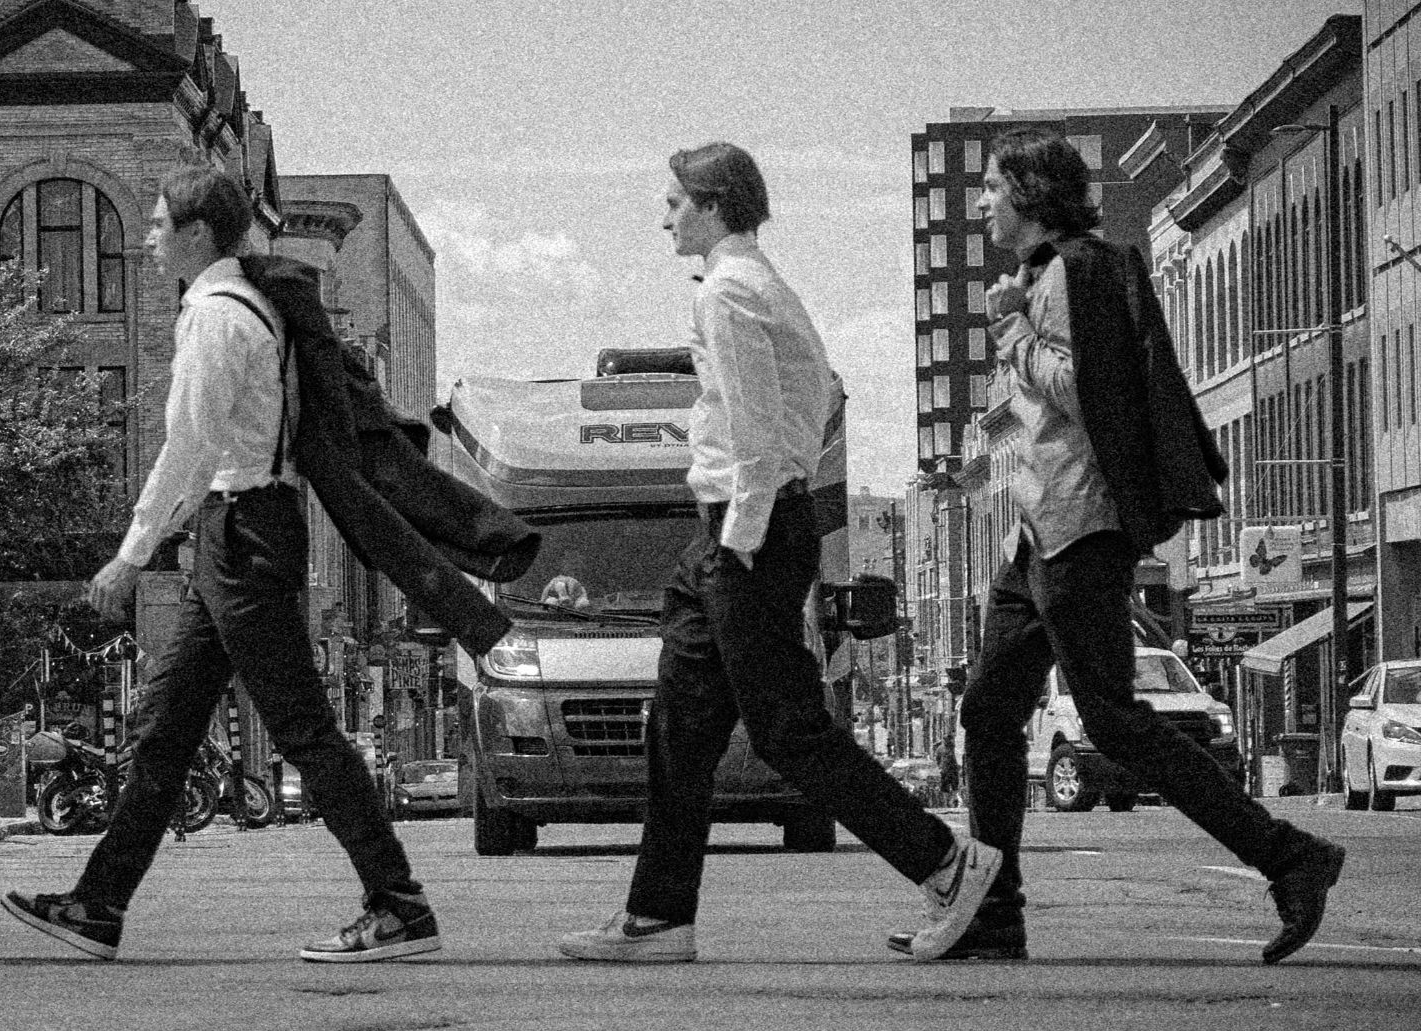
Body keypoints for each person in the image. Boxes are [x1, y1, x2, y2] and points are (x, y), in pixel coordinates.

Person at [895, 130, 1345, 964]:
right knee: (988, 711)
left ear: (1028, 196)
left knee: (1115, 721)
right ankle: (994, 917)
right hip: (1035, 539)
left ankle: (1293, 856)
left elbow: (1084, 386)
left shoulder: (1067, 274)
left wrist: (1011, 334)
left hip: (1080, 531)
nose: (982, 204)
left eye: (991, 189)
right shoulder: (1043, 277)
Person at [560, 142, 1001, 964]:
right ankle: (657, 918)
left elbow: (758, 438)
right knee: (681, 730)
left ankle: (946, 863)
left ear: (714, 204)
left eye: (674, 201)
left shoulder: (729, 294)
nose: (664, 215)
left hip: (746, 531)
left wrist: (737, 548)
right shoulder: (761, 287)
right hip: (732, 532)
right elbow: (821, 396)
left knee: (788, 731)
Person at [2, 166, 438, 963]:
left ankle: (398, 903)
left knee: (303, 728)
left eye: (160, 222)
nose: (147, 236)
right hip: (235, 531)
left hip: (244, 529)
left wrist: (130, 555)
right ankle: (98, 905)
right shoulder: (244, 305)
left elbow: (190, 449)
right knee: (164, 731)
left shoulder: (215, 316)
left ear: (199, 232)